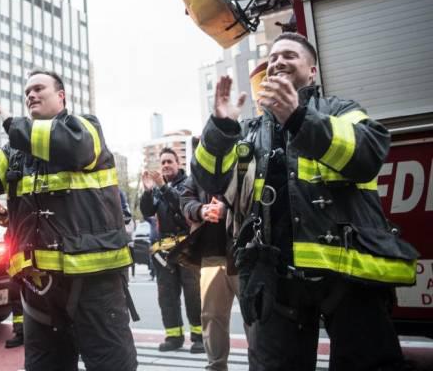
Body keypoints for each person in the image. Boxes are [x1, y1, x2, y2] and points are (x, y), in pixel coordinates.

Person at [192, 32, 418, 371]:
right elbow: (211, 179)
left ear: (312, 71)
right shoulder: (250, 131)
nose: (277, 62)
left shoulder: (341, 111)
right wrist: (222, 128)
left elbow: (368, 155)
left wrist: (298, 118)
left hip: (348, 276)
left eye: (289, 56)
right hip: (275, 281)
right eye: (272, 59)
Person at [0, 70, 138, 371]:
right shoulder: (15, 151)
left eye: (38, 88)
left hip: (94, 284)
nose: (30, 95)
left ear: (61, 96)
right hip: (38, 287)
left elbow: (72, 147)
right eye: (27, 91)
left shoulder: (84, 128)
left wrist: (10, 124)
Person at [140, 148, 203, 353]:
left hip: (187, 249)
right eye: (163, 162)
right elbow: (147, 211)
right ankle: (174, 336)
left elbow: (181, 205)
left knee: (193, 294)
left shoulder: (189, 184)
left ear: (178, 164)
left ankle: (199, 337)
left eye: (169, 161)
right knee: (166, 297)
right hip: (164, 254)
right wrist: (148, 191)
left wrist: (162, 186)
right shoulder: (158, 189)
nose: (166, 165)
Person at [181, 176, 247, 370]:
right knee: (212, 316)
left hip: (244, 254)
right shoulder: (197, 172)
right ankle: (216, 366)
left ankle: (260, 364)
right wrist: (201, 210)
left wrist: (225, 210)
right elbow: (185, 201)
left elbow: (254, 198)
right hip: (211, 254)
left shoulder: (242, 160)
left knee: (255, 317)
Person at [0, 200, 24, 349]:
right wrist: (2, 213)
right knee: (16, 296)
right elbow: (6, 222)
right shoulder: (18, 204)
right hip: (15, 258)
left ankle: (28, 332)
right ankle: (21, 332)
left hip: (26, 257)